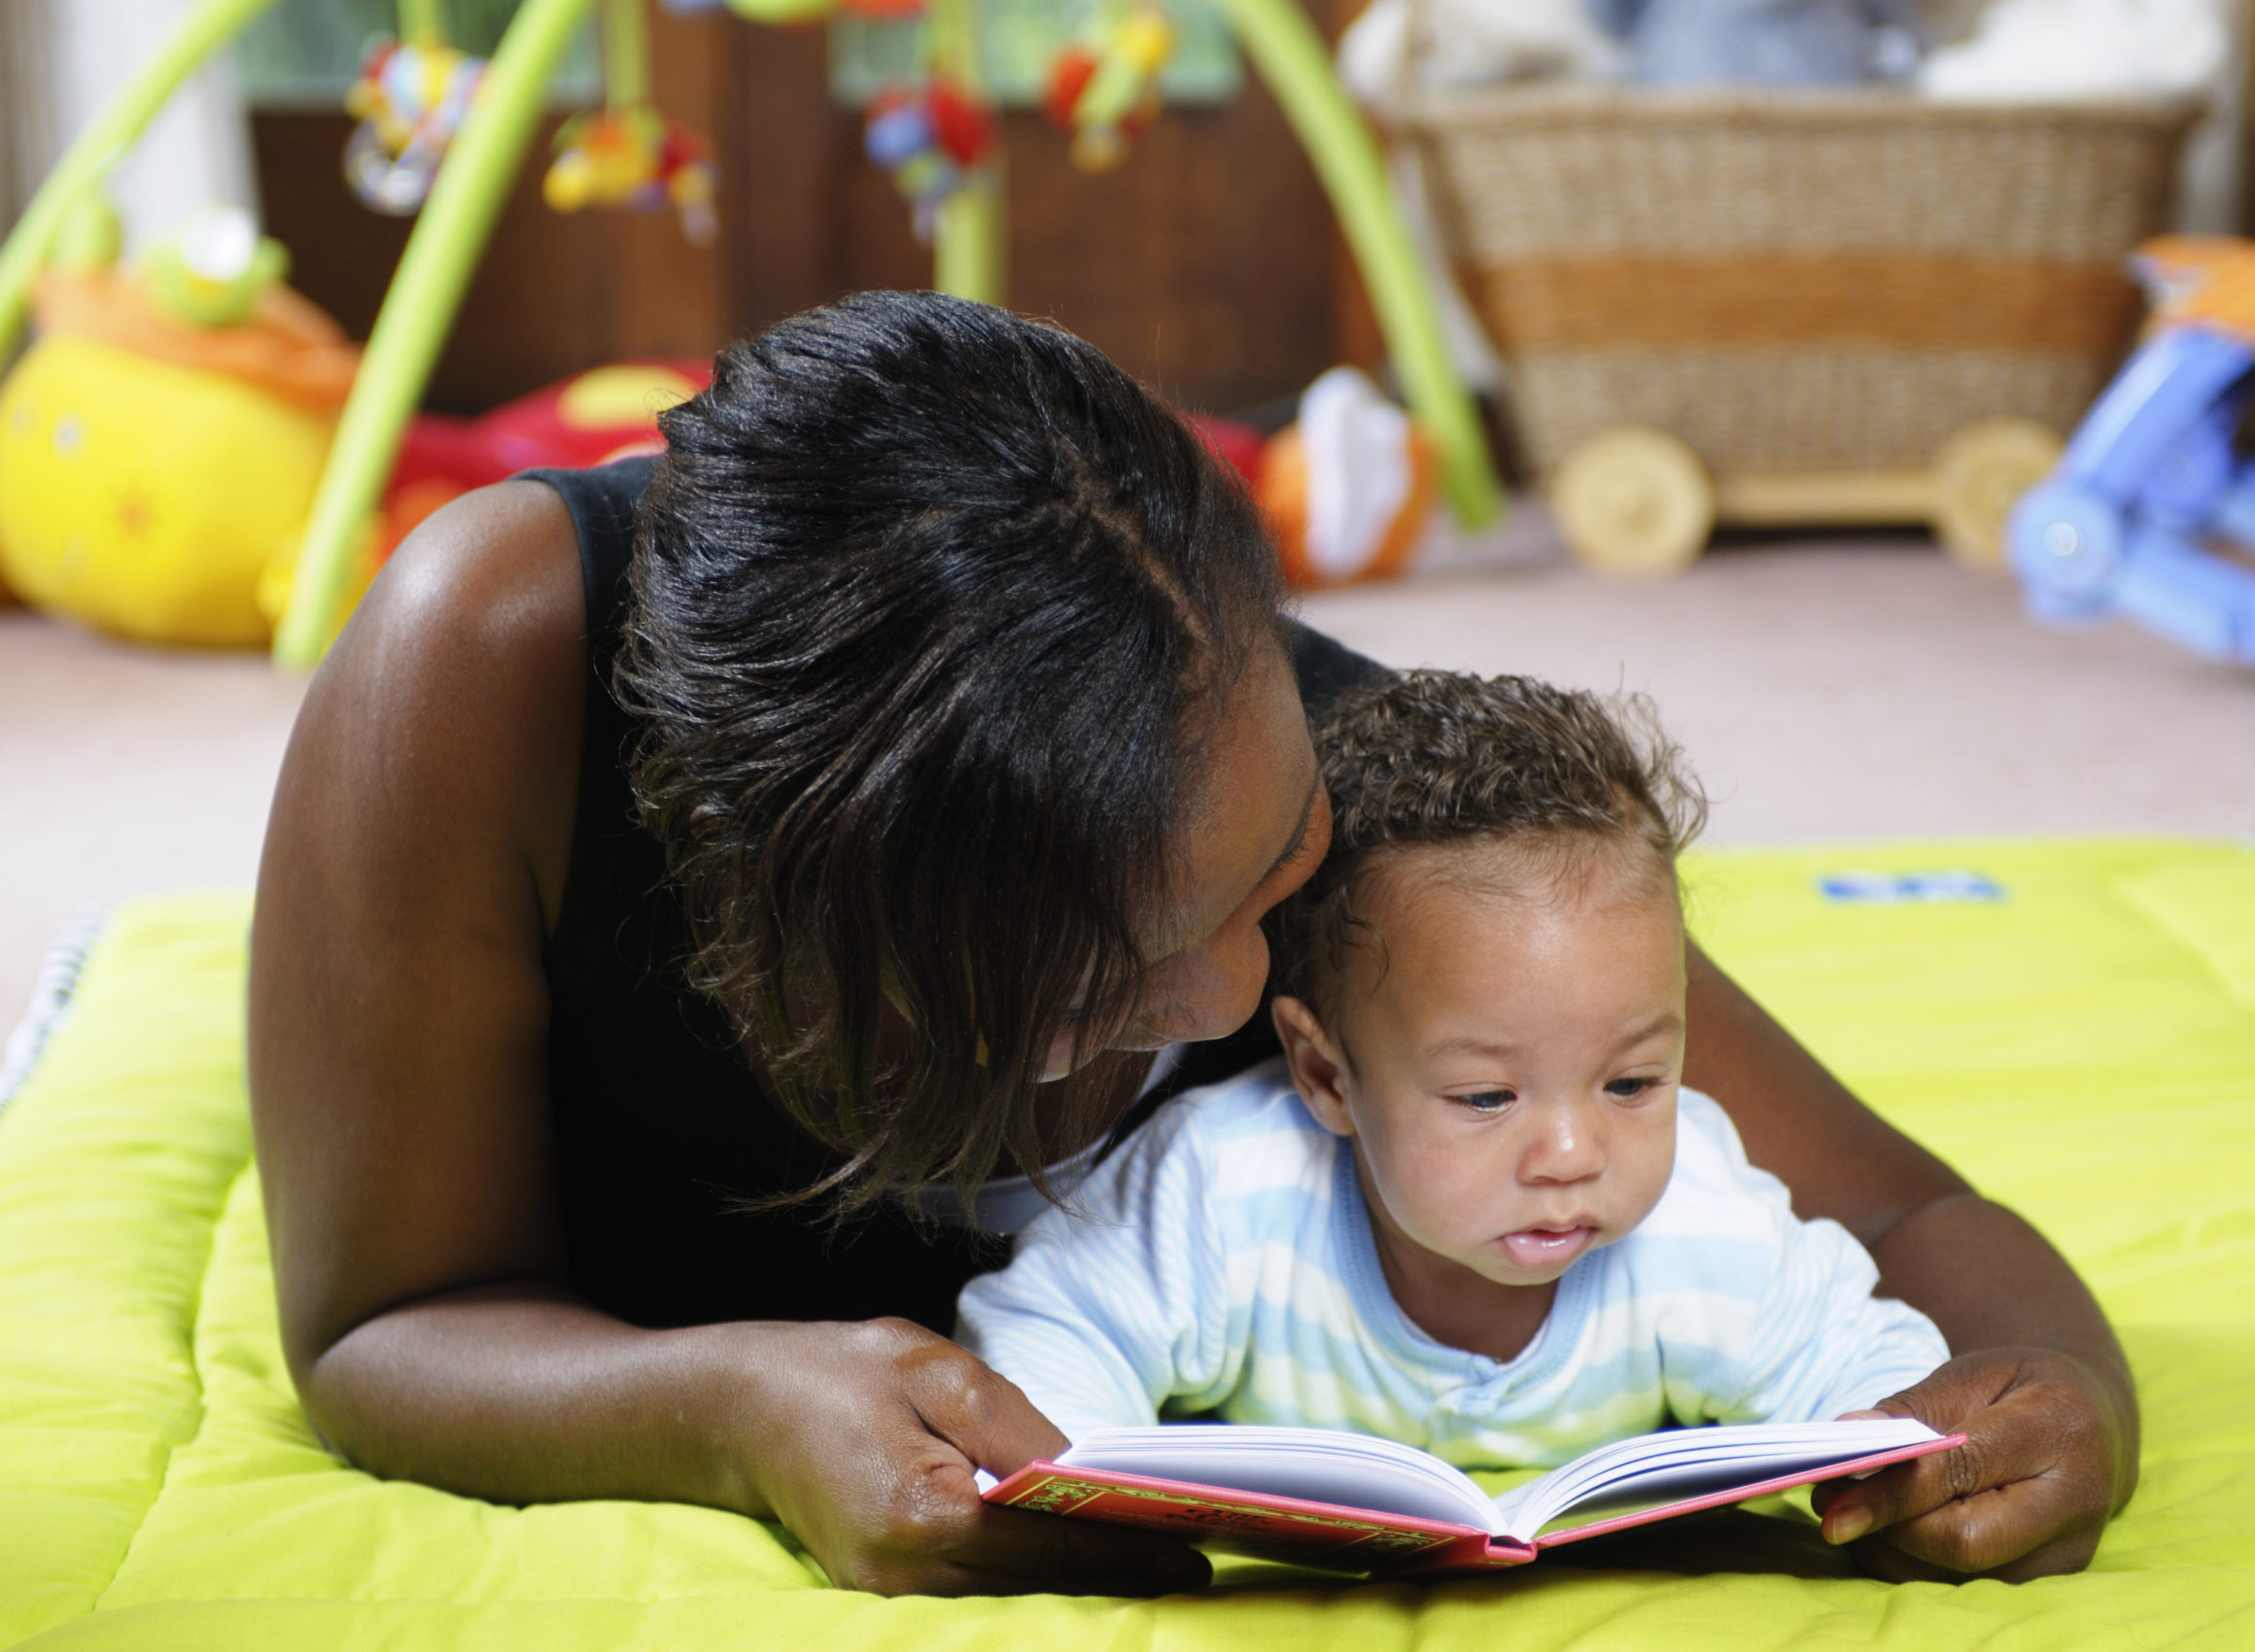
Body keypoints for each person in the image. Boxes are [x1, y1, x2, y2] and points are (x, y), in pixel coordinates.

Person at [248, 292, 2136, 1600]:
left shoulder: (1337, 792)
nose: (1238, 999)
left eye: (1267, 881)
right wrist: (730, 1403)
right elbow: (375, 1322)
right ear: (782, 928)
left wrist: (2058, 1398)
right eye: (1092, 985)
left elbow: (1898, 1220)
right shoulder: (479, 675)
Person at [958, 671, 1950, 1477]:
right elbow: (1051, 1331)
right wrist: (1094, 1484)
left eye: (1632, 1082)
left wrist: (1883, 1459)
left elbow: (1875, 1362)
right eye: (1486, 1096)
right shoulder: (1225, 1189)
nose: (1571, 1151)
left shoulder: (1700, 1221)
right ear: (1324, 1075)